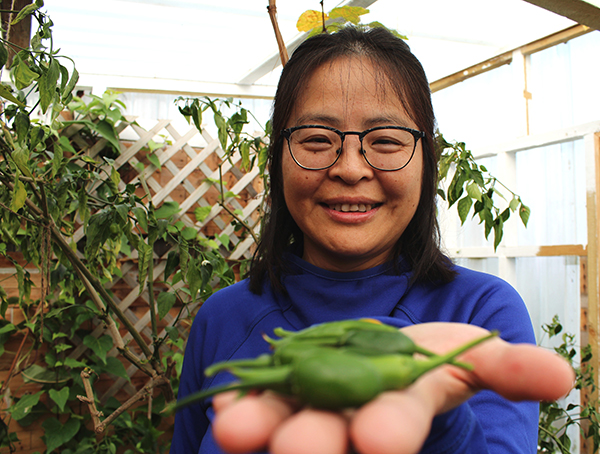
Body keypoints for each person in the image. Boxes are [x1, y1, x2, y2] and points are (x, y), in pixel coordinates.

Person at [170, 26, 574, 454]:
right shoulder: (223, 318)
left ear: (425, 161)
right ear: (279, 159)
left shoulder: (481, 313)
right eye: (317, 140)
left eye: (384, 141)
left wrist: (436, 415)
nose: (350, 168)